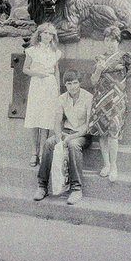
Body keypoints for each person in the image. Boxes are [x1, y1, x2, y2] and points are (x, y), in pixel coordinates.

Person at [87, 25, 131, 182]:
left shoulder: (125, 57)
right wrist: (98, 70)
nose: (110, 43)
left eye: (113, 40)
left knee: (113, 133)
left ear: (118, 41)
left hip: (116, 100)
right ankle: (105, 164)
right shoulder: (100, 58)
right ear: (104, 41)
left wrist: (122, 83)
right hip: (100, 99)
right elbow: (93, 81)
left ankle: (114, 166)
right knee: (102, 134)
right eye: (107, 40)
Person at [34, 69, 93, 205]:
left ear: (80, 83)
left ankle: (76, 189)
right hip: (66, 132)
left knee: (73, 145)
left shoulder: (88, 97)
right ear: (65, 85)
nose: (72, 87)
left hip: (82, 135)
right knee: (49, 143)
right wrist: (59, 136)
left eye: (75, 83)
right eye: (69, 84)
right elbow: (57, 121)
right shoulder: (61, 99)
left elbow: (88, 126)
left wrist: (72, 137)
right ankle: (42, 186)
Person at [23, 22, 61, 167]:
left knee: (46, 119)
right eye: (45, 33)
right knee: (34, 118)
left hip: (50, 85)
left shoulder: (55, 52)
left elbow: (56, 71)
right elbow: (25, 69)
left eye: (51, 34)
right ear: (39, 34)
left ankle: (42, 154)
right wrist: (37, 73)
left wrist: (57, 89)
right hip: (37, 85)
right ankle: (34, 152)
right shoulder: (32, 50)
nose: (48, 36)